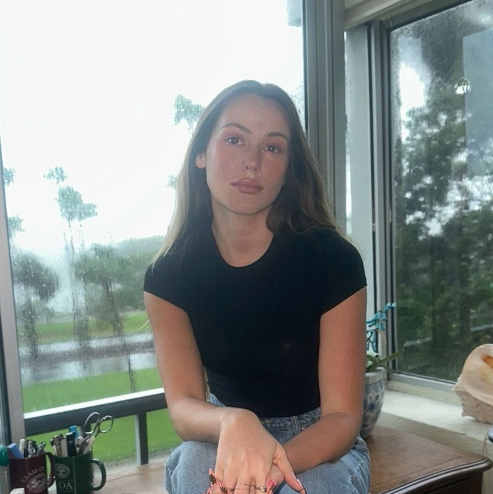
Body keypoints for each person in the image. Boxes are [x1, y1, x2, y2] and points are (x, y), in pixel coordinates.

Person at [144, 80, 370, 494]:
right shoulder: (168, 275)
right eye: (235, 139)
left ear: (289, 169)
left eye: (273, 147)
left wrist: (268, 468)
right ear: (200, 154)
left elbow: (341, 418)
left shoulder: (333, 261)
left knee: (316, 487)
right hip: (224, 432)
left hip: (318, 440)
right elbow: (183, 407)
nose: (252, 162)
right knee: (193, 467)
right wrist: (234, 420)